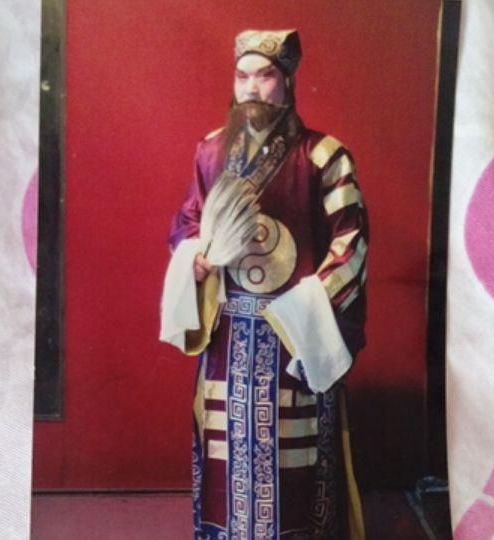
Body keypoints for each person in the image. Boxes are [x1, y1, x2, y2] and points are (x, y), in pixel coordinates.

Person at [160, 29, 368, 540]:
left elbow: (351, 242)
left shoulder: (324, 156)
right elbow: (187, 221)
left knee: (297, 452)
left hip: (294, 333)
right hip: (229, 332)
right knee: (223, 447)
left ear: (288, 81)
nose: (252, 87)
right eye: (242, 76)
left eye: (266, 75)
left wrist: (307, 307)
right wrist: (195, 258)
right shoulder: (211, 152)